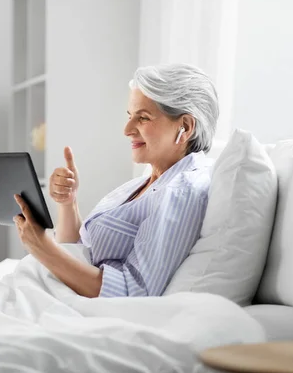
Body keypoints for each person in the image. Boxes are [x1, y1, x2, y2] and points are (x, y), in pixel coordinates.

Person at [13, 63, 218, 298]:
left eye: (143, 118)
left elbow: (133, 293)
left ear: (185, 126)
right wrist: (68, 204)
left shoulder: (181, 191)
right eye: (130, 116)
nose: (127, 129)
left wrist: (43, 248)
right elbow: (80, 250)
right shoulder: (149, 181)